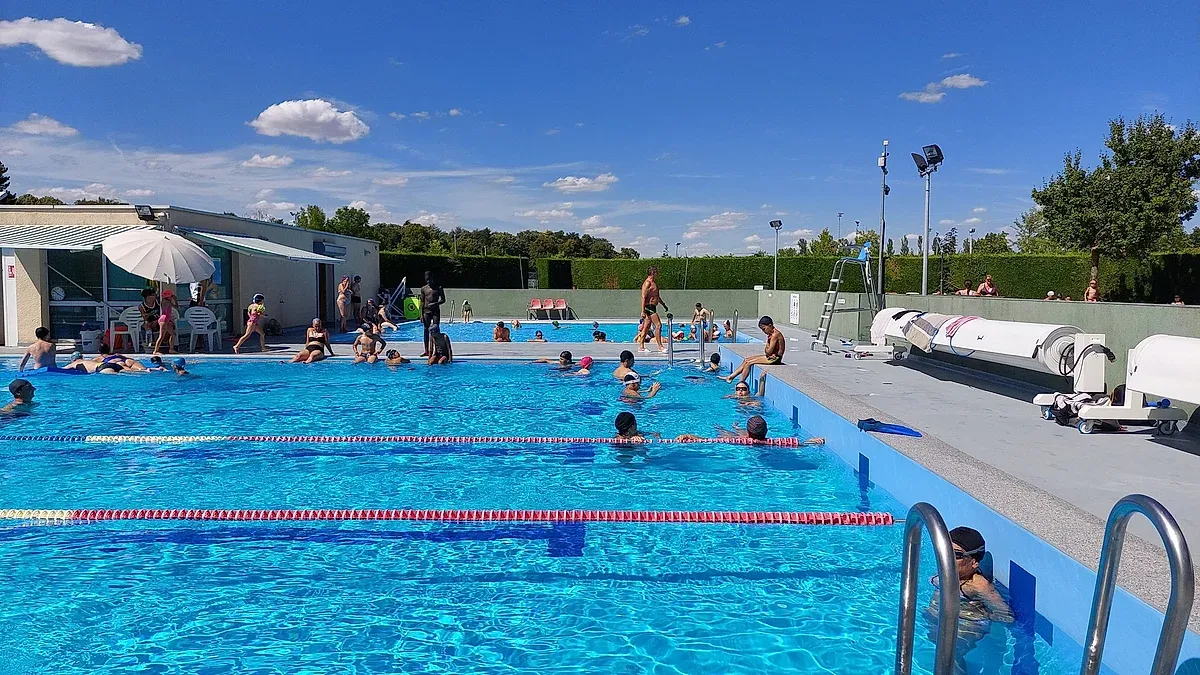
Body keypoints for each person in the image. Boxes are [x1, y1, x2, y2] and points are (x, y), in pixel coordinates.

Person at [930, 527, 1014, 625]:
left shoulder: (978, 586)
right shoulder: (946, 571)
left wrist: (975, 615)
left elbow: (1008, 617)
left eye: (956, 555)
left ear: (974, 563)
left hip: (964, 628)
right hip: (936, 622)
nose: (946, 557)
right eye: (945, 550)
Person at [724, 316, 785, 384]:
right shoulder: (772, 334)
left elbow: (768, 352)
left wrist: (767, 345)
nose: (763, 331)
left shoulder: (775, 335)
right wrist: (768, 349)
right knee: (746, 360)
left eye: (764, 329)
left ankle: (741, 383)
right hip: (772, 357)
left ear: (770, 325)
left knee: (749, 363)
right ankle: (730, 377)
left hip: (775, 359)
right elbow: (769, 352)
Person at [637, 266, 668, 353]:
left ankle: (641, 346)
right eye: (656, 273)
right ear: (653, 273)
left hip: (653, 306)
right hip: (649, 307)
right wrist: (643, 311)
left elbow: (657, 297)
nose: (658, 274)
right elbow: (643, 297)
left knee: (646, 327)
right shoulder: (647, 283)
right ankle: (660, 346)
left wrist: (664, 305)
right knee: (658, 325)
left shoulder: (654, 283)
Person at [419, 271, 446, 357]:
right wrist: (421, 314)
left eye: (429, 279)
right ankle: (426, 350)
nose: (428, 281)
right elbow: (422, 302)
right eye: (426, 280)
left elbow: (443, 300)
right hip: (426, 311)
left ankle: (437, 350)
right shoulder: (423, 289)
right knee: (426, 330)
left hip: (435, 311)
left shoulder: (438, 287)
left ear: (432, 278)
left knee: (436, 330)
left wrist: (435, 304)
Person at [153, 288, 180, 354]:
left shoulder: (165, 301)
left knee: (173, 334)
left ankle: (171, 349)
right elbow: (176, 306)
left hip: (166, 319)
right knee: (161, 336)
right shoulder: (167, 302)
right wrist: (175, 299)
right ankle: (155, 351)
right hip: (164, 320)